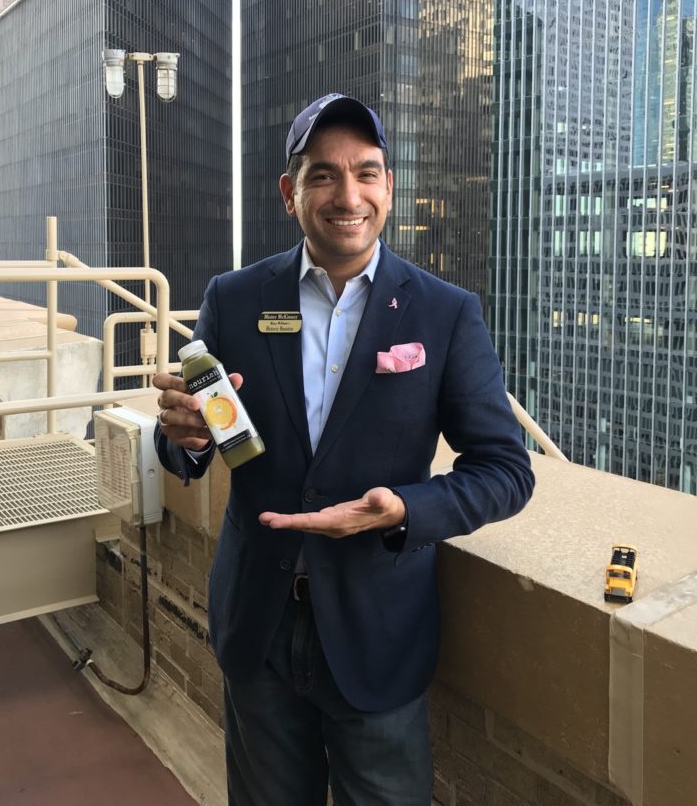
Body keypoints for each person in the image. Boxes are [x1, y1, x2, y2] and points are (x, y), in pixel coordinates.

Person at [153, 93, 534, 806]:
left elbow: (506, 471)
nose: (347, 195)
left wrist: (403, 511)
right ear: (290, 193)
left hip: (377, 634)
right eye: (323, 175)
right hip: (258, 629)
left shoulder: (445, 313)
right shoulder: (233, 300)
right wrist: (182, 436)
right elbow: (190, 447)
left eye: (366, 172)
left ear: (389, 186)